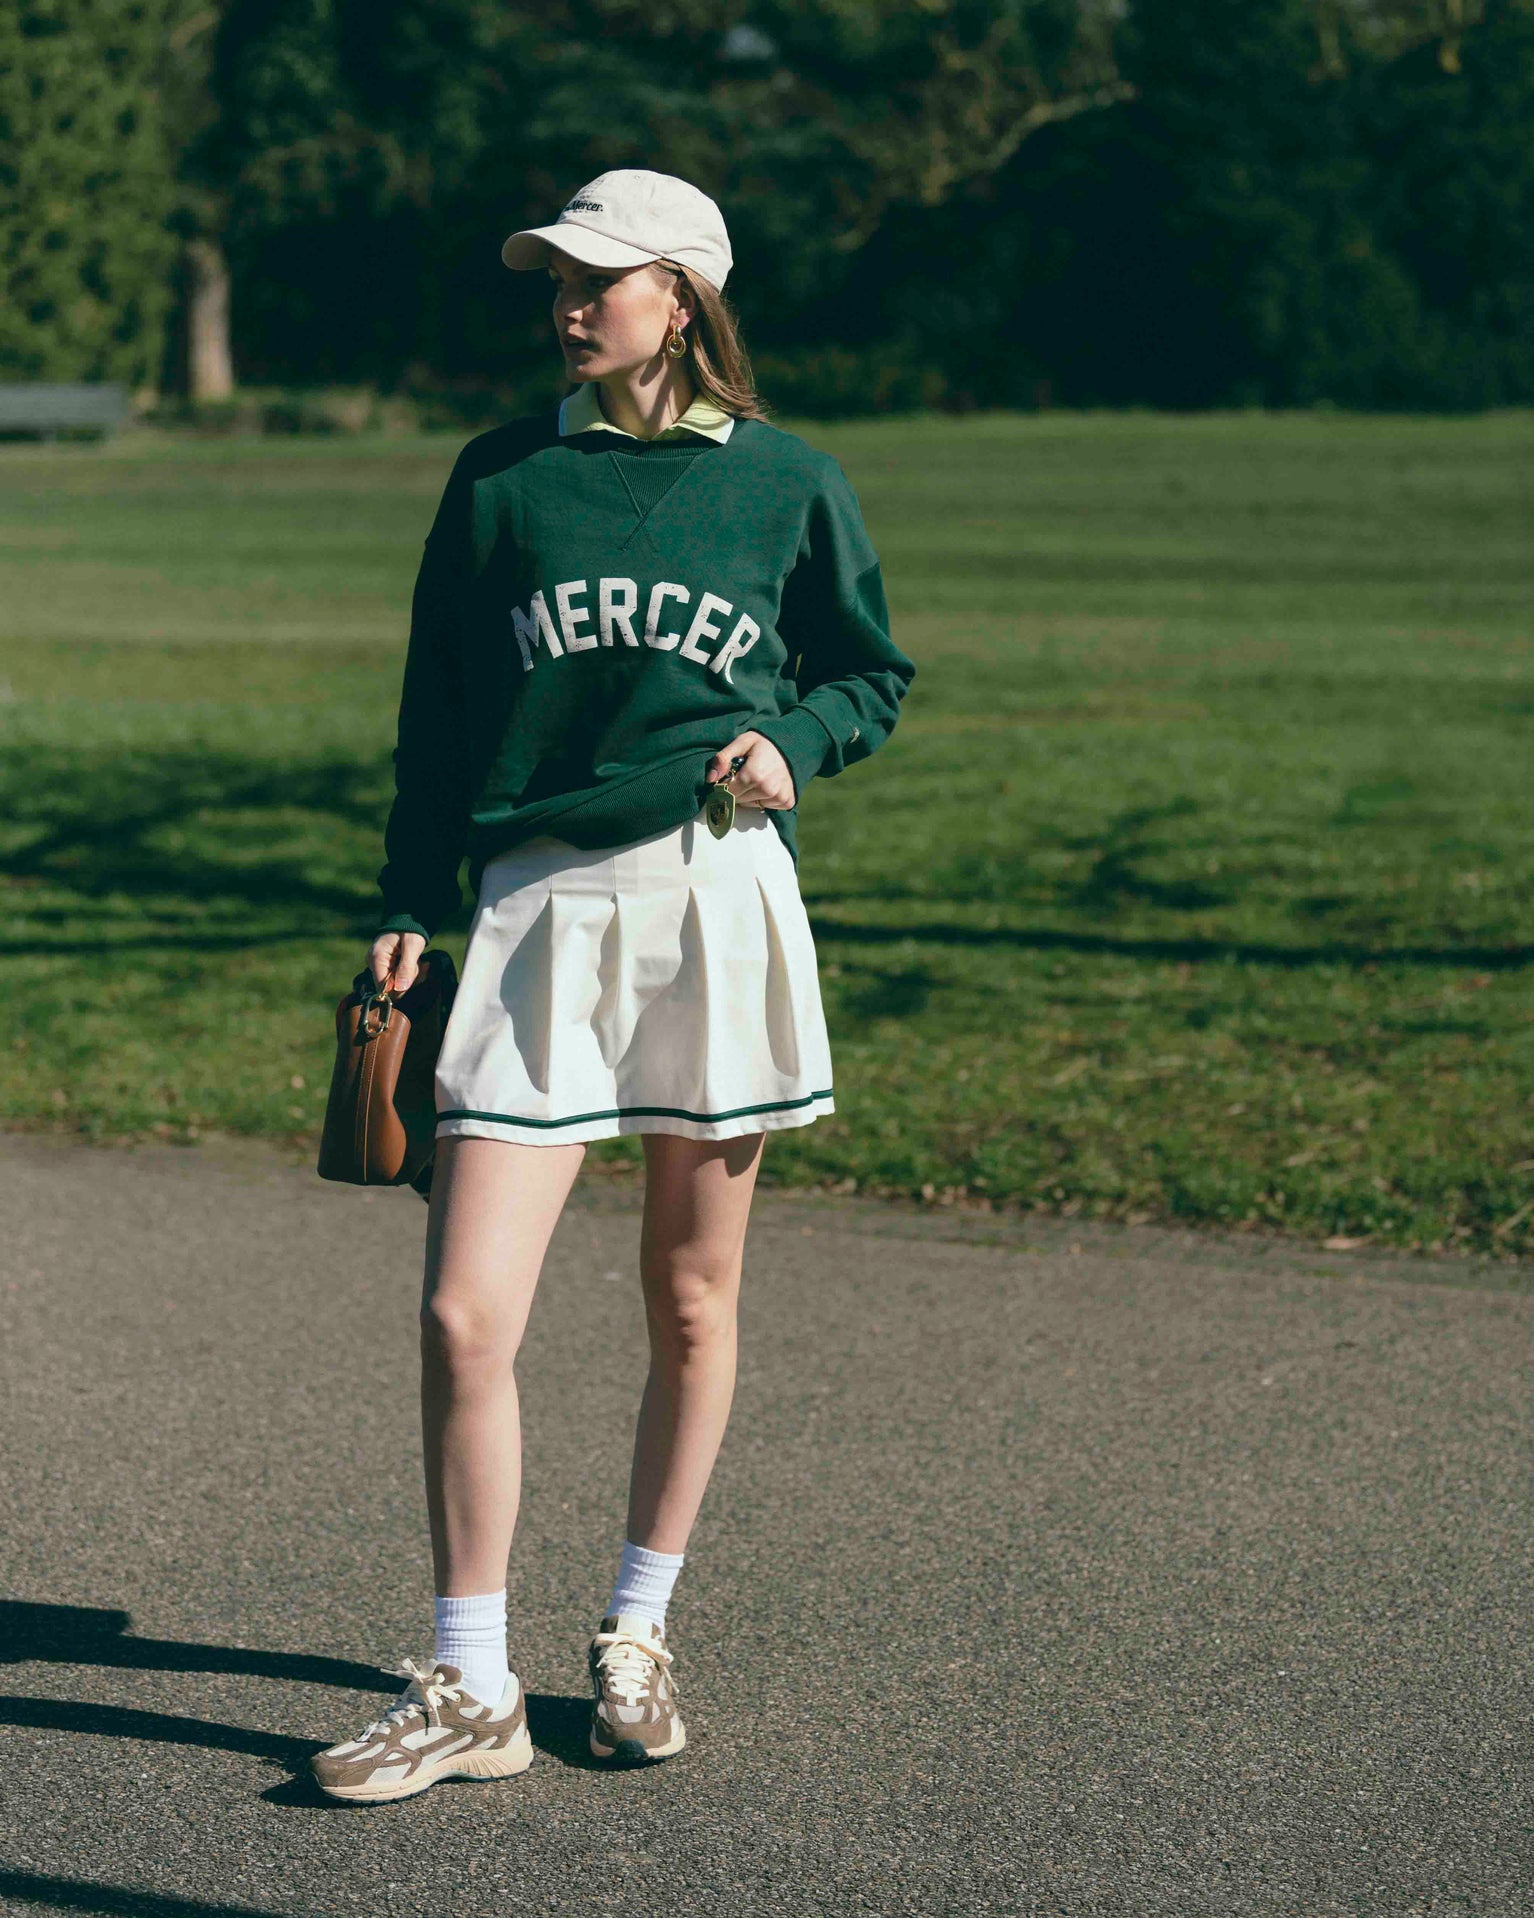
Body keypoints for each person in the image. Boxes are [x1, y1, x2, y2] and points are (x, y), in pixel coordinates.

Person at [310, 169, 916, 1803]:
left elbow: (867, 670)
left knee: (692, 1296)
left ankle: (636, 1628)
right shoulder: (501, 478)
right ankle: (468, 1677)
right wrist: (406, 898)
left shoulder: (788, 482)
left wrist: (792, 742)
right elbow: (436, 709)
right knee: (460, 1311)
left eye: (596, 278)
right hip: (526, 916)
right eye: (555, 278)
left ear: (683, 299)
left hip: (710, 902)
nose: (565, 303)